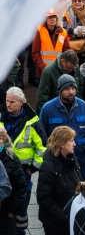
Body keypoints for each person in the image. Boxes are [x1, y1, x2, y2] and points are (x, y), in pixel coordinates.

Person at [0, 87, 47, 235]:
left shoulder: (32, 122)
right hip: (3, 166)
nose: (8, 104)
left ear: (22, 102)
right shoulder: (2, 116)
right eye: (7, 101)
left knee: (21, 200)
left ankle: (20, 229)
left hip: (23, 169)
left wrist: (33, 167)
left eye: (12, 102)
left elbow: (42, 147)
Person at [40, 75, 85, 178]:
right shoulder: (48, 108)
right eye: (67, 89)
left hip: (81, 158)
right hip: (57, 159)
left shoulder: (84, 106)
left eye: (73, 88)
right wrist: (51, 154)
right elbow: (42, 133)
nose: (71, 92)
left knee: (81, 187)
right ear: (60, 90)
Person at [37, 126, 81, 235]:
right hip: (56, 224)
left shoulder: (71, 159)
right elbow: (44, 199)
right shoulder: (48, 166)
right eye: (71, 141)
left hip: (70, 220)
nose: (74, 144)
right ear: (62, 144)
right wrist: (64, 217)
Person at [0, 126, 27, 235]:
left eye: (0, 138)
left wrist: (13, 210)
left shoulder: (11, 159)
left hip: (6, 211)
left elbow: (20, 187)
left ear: (5, 140)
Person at [31, 8, 70, 78]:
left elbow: (67, 52)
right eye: (50, 17)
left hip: (59, 69)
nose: (53, 19)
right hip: (44, 70)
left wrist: (64, 66)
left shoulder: (63, 32)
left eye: (54, 17)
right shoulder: (39, 31)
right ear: (45, 19)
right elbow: (35, 53)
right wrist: (44, 69)